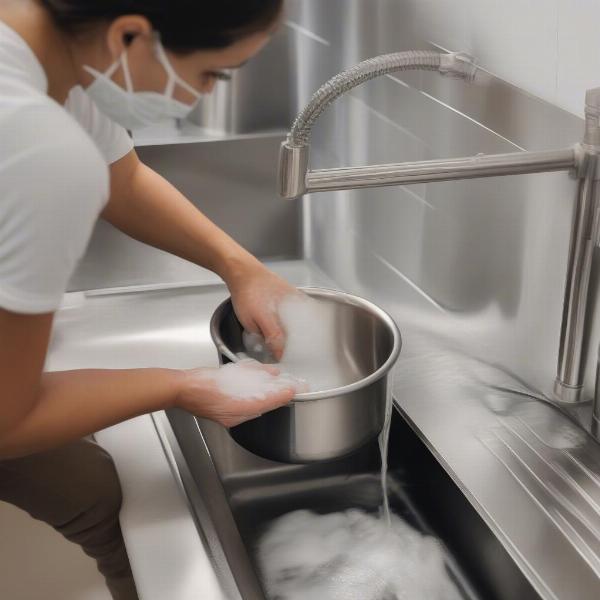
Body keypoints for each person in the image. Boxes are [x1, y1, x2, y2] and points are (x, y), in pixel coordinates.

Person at [0, 1, 299, 598]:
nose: (206, 96)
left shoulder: (48, 41)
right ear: (131, 36)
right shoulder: (35, 144)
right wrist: (182, 385)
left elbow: (124, 179)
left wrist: (240, 268)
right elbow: (6, 422)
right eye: (214, 74)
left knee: (89, 491)